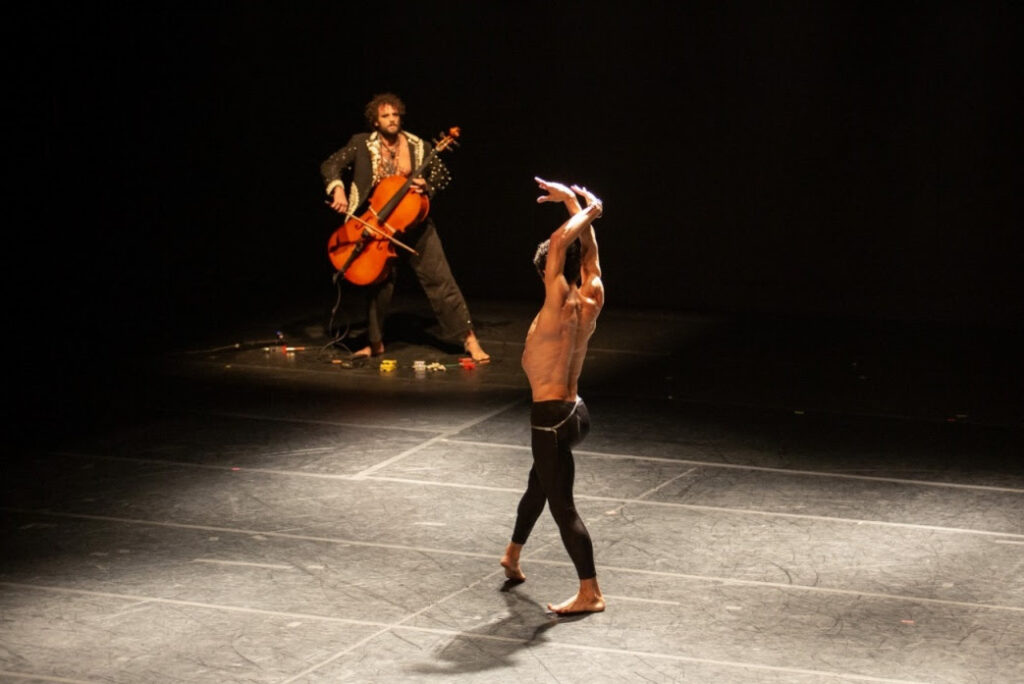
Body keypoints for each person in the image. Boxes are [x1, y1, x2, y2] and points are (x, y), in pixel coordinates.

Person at [501, 177, 605, 614]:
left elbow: (560, 244)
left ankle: (591, 593)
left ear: (548, 270)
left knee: (562, 506)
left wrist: (590, 208)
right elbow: (587, 254)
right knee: (540, 481)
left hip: (550, 419)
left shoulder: (552, 304)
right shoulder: (593, 293)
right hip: (576, 414)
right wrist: (574, 206)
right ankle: (512, 554)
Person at [320, 93, 489, 361]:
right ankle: (375, 343)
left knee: (441, 281)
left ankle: (469, 341)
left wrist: (427, 187)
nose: (391, 120)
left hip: (414, 224)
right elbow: (331, 165)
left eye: (395, 115)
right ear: (375, 121)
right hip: (377, 226)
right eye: (385, 116)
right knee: (378, 286)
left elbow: (442, 176)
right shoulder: (361, 144)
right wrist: (338, 189)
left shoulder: (419, 145)